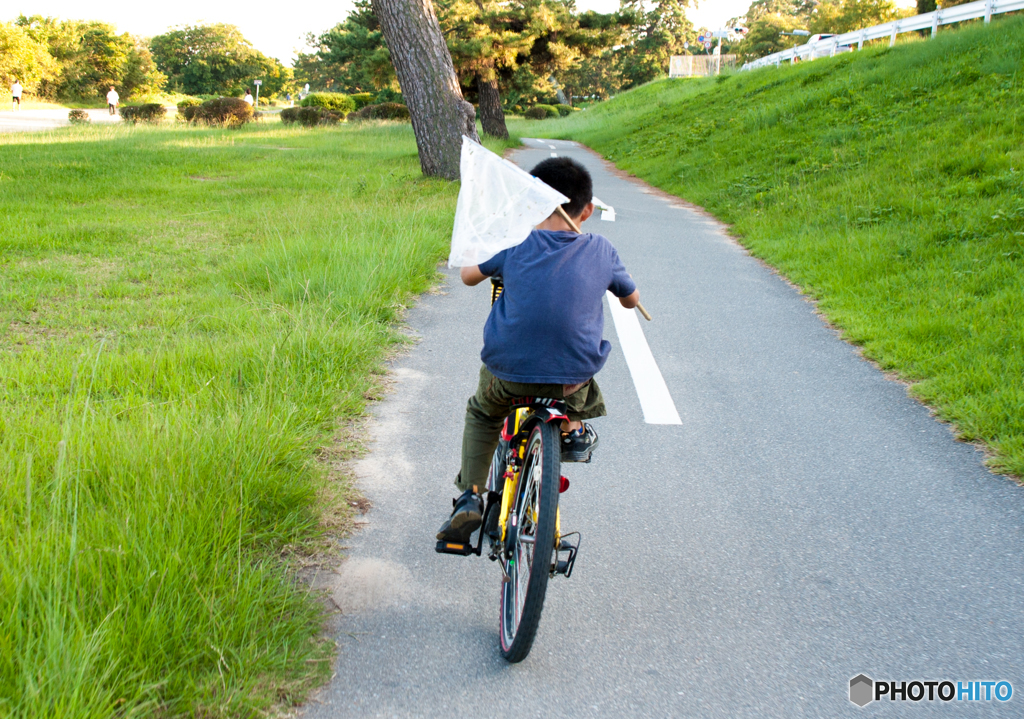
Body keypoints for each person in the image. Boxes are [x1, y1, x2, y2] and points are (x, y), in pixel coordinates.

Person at [436, 157, 641, 543]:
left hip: (508, 374)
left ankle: (470, 498)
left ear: (533, 201)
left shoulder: (514, 242)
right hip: (569, 381)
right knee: (580, 377)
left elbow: (467, 277)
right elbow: (631, 301)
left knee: (483, 412)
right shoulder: (602, 249)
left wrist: (481, 243)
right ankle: (571, 428)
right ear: (588, 210)